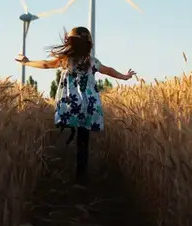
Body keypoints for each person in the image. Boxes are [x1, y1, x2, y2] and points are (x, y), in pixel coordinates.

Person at [14, 26, 136, 182]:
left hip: (71, 104)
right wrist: (124, 77)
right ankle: (81, 173)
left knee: (68, 131)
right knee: (83, 139)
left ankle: (64, 161)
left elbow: (46, 64)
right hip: (88, 105)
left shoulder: (66, 60)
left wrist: (27, 62)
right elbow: (109, 70)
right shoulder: (92, 61)